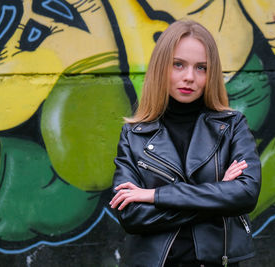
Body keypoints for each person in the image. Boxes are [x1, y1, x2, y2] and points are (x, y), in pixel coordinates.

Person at [109, 20, 261, 267]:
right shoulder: (134, 134)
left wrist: (154, 195)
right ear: (161, 67)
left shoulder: (232, 126)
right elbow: (131, 215)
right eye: (178, 65)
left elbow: (245, 194)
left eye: (201, 67)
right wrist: (218, 192)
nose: (189, 77)